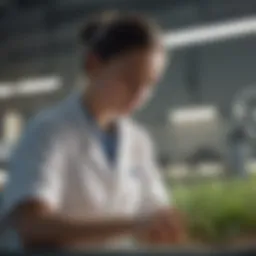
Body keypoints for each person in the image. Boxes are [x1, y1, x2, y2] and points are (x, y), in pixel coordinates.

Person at [0, 11, 186, 250]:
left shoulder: (138, 140)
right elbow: (31, 225)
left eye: (149, 84)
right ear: (93, 65)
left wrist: (163, 222)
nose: (139, 95)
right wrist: (133, 225)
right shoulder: (48, 130)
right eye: (128, 80)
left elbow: (154, 209)